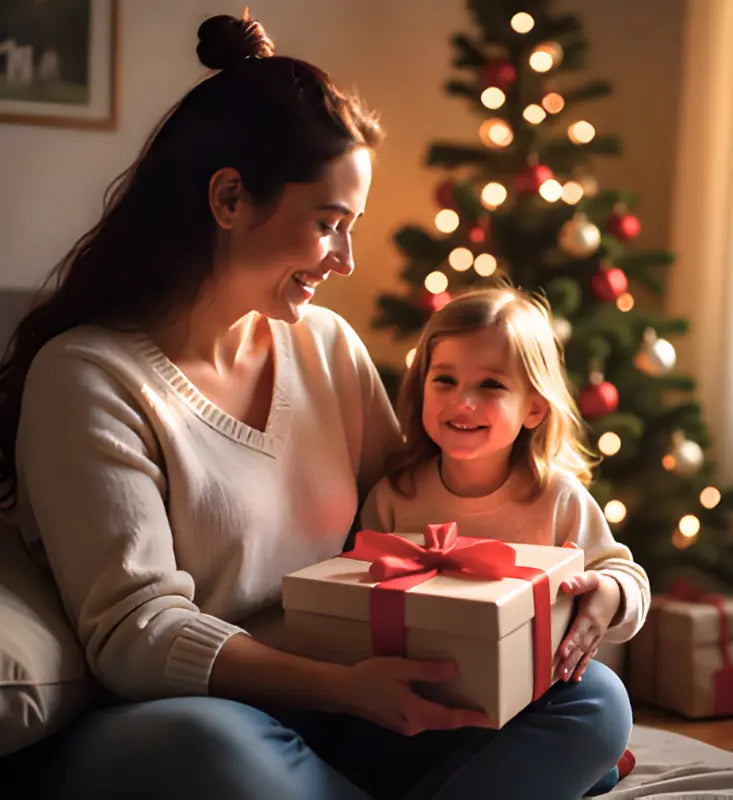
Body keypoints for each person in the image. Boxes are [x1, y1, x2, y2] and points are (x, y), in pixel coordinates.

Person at [0, 11, 631, 800]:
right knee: (201, 748)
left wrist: (593, 586)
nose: (346, 260)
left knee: (595, 703)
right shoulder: (88, 377)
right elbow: (135, 635)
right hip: (212, 713)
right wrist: (343, 687)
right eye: (330, 225)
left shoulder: (325, 346)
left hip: (356, 707)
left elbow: (419, 515)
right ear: (229, 198)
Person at [360, 284, 651, 794]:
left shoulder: (556, 496)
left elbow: (624, 573)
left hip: (528, 701)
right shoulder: (394, 495)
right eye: (444, 380)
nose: (462, 402)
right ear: (421, 386)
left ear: (534, 408)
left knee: (604, 702)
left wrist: (611, 593)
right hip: (419, 699)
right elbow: (357, 590)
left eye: (491, 385)